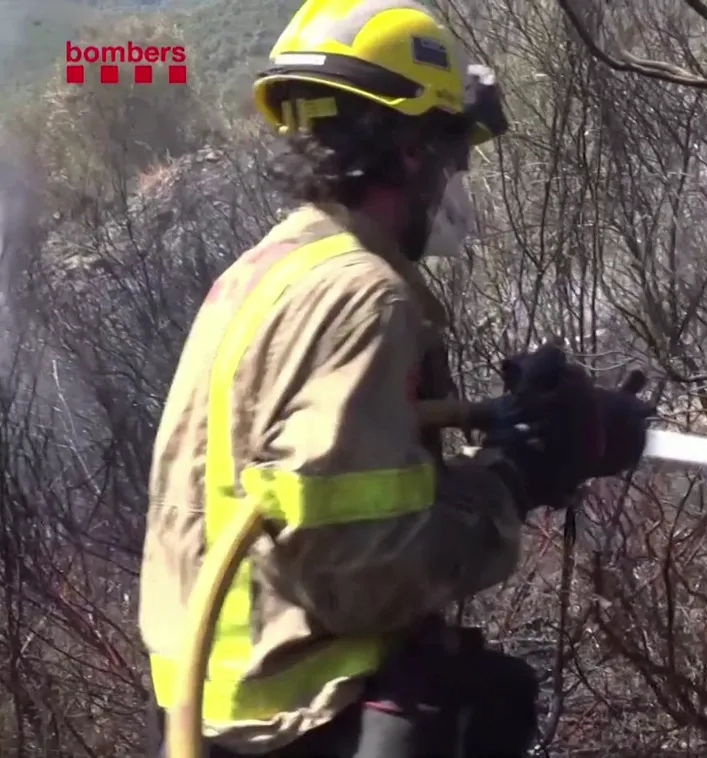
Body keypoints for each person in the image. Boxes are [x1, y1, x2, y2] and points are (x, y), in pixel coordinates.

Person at [138, 1, 652, 756]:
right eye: (453, 153)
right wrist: (512, 477)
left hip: (207, 715)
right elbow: (359, 572)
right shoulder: (364, 296)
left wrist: (529, 426)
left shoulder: (269, 271)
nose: (454, 181)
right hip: (302, 725)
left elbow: (318, 481)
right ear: (412, 149)